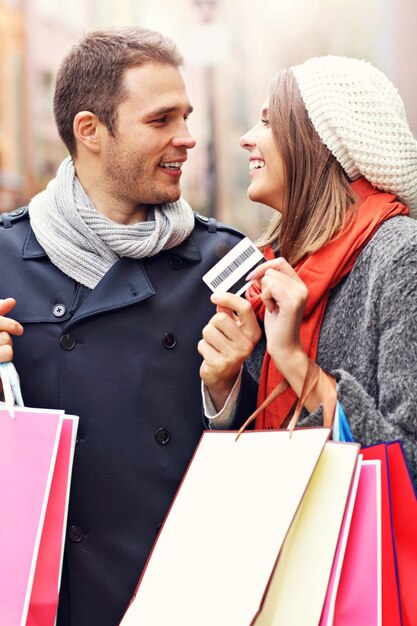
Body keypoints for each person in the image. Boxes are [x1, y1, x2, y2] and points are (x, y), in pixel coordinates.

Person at [0, 26, 256, 626]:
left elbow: (276, 447)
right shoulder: (4, 258)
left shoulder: (226, 263)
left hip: (182, 594)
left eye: (187, 116)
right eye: (161, 119)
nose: (187, 139)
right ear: (91, 131)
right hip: (43, 598)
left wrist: (225, 392)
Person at [199, 55, 417, 483]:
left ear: (319, 142)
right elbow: (264, 441)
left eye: (267, 121)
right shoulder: (276, 265)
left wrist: (294, 361)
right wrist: (224, 383)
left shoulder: (401, 256)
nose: (246, 138)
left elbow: (408, 461)